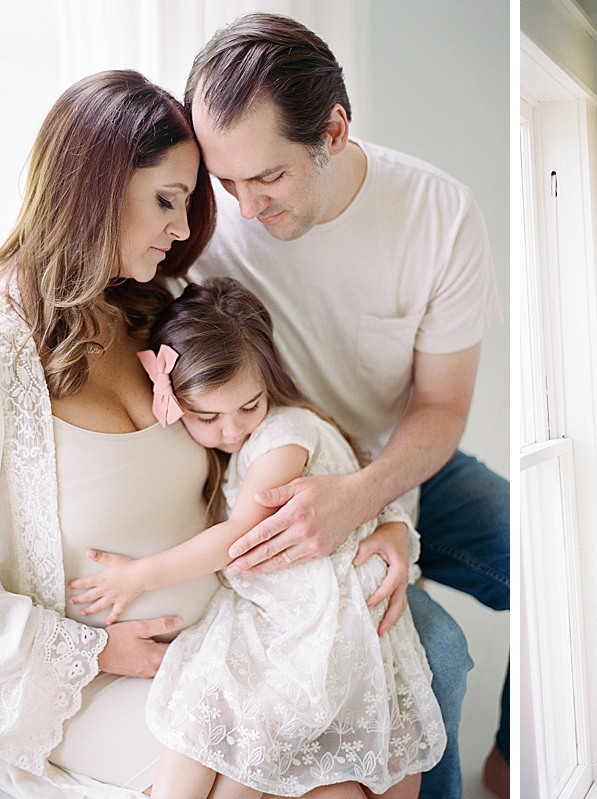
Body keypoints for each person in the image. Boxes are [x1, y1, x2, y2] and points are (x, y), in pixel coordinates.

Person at [180, 13, 509, 799]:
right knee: (441, 657)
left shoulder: (440, 215)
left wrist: (375, 502)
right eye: (227, 181)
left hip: (393, 459)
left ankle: (509, 761)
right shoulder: (207, 223)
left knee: (543, 552)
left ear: (333, 130)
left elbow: (440, 405)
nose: (246, 207)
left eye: (270, 178)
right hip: (274, 472)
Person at [0, 70, 230, 797]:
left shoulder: (160, 307)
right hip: (98, 692)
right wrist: (93, 652)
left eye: (187, 205)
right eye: (165, 201)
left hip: (222, 639)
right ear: (95, 186)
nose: (182, 230)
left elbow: (255, 427)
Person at [66, 279, 444, 798]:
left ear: (269, 381)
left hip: (319, 614)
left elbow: (241, 535)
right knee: (224, 738)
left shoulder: (283, 433)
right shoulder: (252, 437)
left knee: (232, 731)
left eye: (249, 404)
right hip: (316, 611)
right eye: (207, 417)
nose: (230, 430)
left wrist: (139, 575)